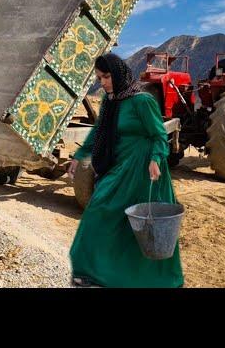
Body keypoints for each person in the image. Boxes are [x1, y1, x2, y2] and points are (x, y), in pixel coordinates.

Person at [67, 53, 184, 287]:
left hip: (143, 170)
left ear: (119, 74)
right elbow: (98, 132)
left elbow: (159, 135)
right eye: (100, 78)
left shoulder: (142, 101)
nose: (103, 82)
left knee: (142, 228)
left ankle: (149, 279)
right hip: (121, 167)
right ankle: (93, 272)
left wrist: (156, 159)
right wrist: (79, 156)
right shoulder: (112, 102)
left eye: (107, 77)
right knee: (100, 211)